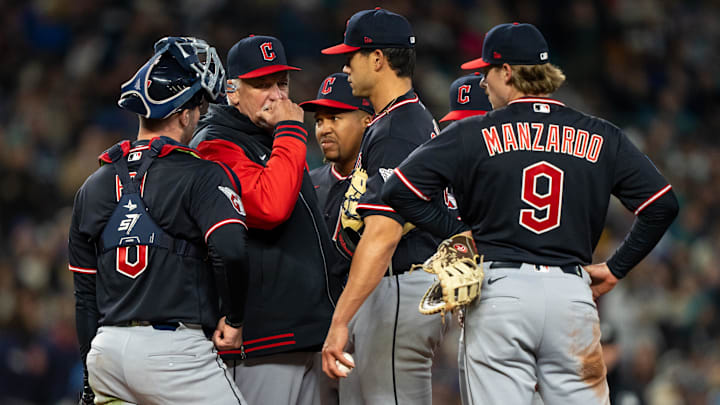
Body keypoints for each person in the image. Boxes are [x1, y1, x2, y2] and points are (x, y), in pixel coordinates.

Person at [382, 22, 679, 404]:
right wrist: (616, 267)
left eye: (486, 70)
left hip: (500, 294)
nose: (483, 81)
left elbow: (398, 190)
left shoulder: (473, 132)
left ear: (507, 71)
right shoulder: (602, 134)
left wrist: (457, 231)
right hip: (571, 296)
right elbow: (662, 205)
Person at [69, 37, 249, 405]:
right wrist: (233, 319)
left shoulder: (92, 186)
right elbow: (230, 251)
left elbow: (85, 297)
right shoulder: (202, 174)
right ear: (184, 113)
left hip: (107, 352)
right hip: (172, 352)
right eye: (198, 107)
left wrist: (90, 374)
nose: (199, 115)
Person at [190, 35, 341, 405]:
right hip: (265, 338)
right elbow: (268, 208)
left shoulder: (267, 138)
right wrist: (291, 132)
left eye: (282, 83)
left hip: (303, 331)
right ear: (232, 91)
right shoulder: (216, 143)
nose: (277, 95)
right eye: (261, 84)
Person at [319, 8, 449, 404]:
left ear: (377, 59)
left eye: (351, 56)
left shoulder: (398, 128)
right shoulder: (397, 120)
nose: (345, 66)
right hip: (393, 289)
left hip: (399, 286)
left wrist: (339, 321)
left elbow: (383, 234)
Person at [302, 72, 373, 247]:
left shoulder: (383, 182)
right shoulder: (307, 184)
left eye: (334, 118)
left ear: (367, 121)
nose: (324, 129)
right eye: (319, 121)